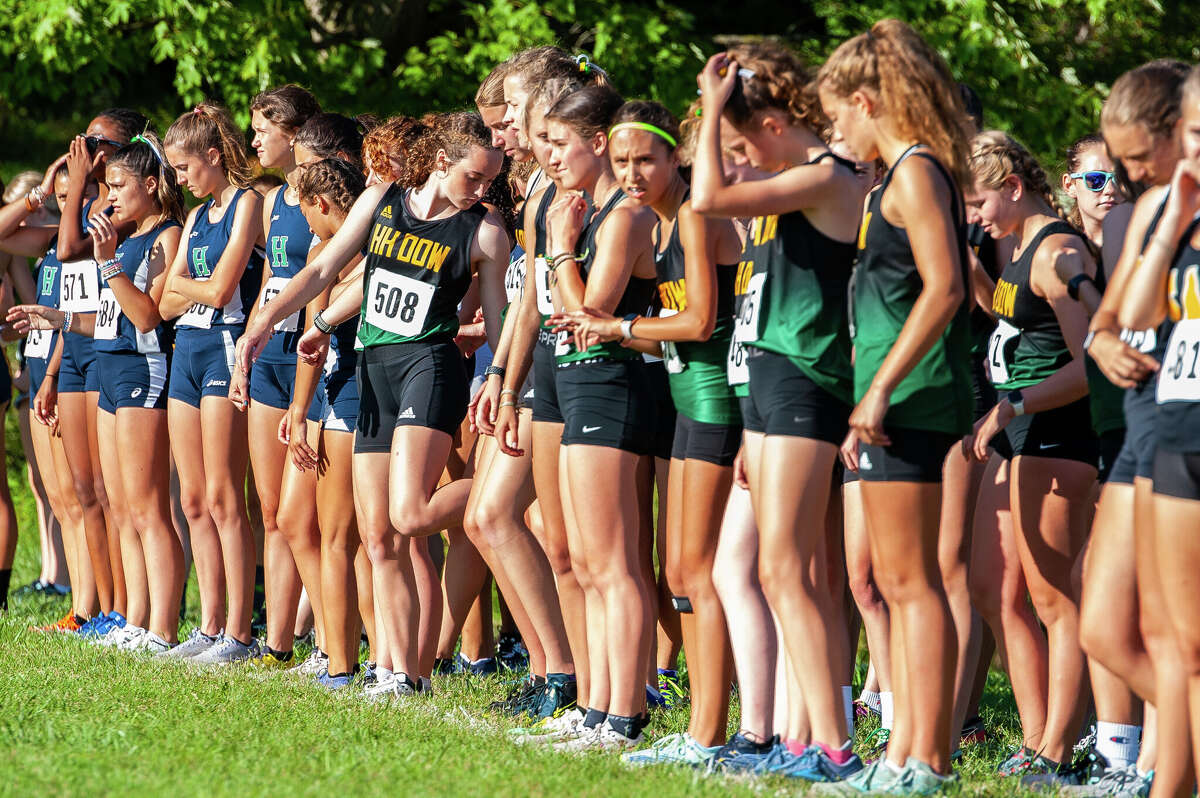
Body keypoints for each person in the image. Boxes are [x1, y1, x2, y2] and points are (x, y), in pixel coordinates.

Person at [238, 111, 508, 697]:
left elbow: (501, 321)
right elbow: (326, 269)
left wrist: (502, 372)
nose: (483, 190)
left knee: (409, 514)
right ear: (441, 161)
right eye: (475, 177)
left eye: (491, 180)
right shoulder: (384, 198)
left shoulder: (484, 232)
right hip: (375, 367)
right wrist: (270, 323)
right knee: (380, 537)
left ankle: (506, 492)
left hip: (429, 370)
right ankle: (401, 674)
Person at [690, 41, 867, 781]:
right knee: (787, 571)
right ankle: (802, 736)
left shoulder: (823, 176)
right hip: (766, 387)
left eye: (737, 144)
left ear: (767, 125)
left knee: (788, 568)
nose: (733, 161)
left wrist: (707, 116)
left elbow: (703, 198)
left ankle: (833, 743)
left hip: (804, 383)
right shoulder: (785, 184)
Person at [551, 98, 743, 766]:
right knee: (679, 570)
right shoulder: (660, 226)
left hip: (720, 405)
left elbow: (698, 323)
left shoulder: (689, 216)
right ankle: (689, 725)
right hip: (686, 404)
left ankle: (705, 731)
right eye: (624, 160)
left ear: (674, 159)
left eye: (646, 160)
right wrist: (625, 334)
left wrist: (619, 330)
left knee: (695, 572)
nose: (633, 173)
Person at [817, 18, 974, 793]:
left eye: (838, 113)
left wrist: (879, 389)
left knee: (914, 583)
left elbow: (946, 288)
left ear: (869, 100)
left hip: (913, 399)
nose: (834, 130)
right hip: (884, 401)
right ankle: (903, 749)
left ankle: (929, 759)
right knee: (894, 576)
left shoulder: (916, 171)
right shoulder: (893, 176)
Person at [10, 132, 187, 652]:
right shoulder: (129, 238)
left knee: (149, 508)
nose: (108, 197)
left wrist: (108, 264)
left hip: (141, 371)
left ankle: (162, 626)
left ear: (152, 186)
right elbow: (108, 321)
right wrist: (59, 317)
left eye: (118, 185)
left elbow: (147, 317)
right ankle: (134, 619)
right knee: (123, 507)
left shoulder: (165, 237)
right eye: (105, 186)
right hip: (110, 368)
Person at [964, 131, 1099, 781]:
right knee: (995, 588)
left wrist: (1012, 404)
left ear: (1014, 188)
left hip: (1057, 436)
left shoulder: (1058, 249)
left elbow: (1090, 364)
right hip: (1019, 436)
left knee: (1054, 601)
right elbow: (1020, 321)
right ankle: (1035, 734)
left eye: (979, 202)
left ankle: (1059, 750)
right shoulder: (1019, 248)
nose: (974, 216)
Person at [1085, 59, 1191, 798]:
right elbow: (1117, 316)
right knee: (1105, 629)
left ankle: (1169, 777)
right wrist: (1098, 340)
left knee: (1173, 636)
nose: (1123, 176)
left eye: (1132, 158)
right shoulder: (1159, 207)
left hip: (1179, 424)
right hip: (1147, 422)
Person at [1117, 62, 1200, 796]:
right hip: (1170, 428)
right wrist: (1171, 221)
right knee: (1173, 638)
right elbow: (1132, 315)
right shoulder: (1170, 209)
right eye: (1195, 137)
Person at [159, 102, 263, 663]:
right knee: (194, 499)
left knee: (226, 498)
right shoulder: (197, 218)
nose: (179, 180)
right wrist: (189, 287)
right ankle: (210, 623)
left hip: (225, 349)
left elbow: (221, 292)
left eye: (183, 168)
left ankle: (240, 634)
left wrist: (187, 285)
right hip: (189, 354)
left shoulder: (248, 203)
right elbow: (163, 301)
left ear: (214, 157)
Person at [233, 85, 323, 669]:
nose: (254, 139)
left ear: (293, 133)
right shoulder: (273, 202)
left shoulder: (327, 195)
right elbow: (272, 273)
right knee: (271, 510)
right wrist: (248, 340)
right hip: (268, 354)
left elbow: (319, 280)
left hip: (308, 355)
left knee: (306, 510)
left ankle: (328, 638)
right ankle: (277, 642)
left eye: (262, 128)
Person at [286, 156, 369, 687]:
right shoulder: (383, 240)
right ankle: (370, 658)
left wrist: (299, 412)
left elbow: (310, 348)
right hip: (362, 392)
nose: (307, 227)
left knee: (343, 537)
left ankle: (343, 661)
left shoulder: (331, 252)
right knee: (369, 539)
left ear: (322, 204)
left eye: (307, 212)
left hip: (349, 394)